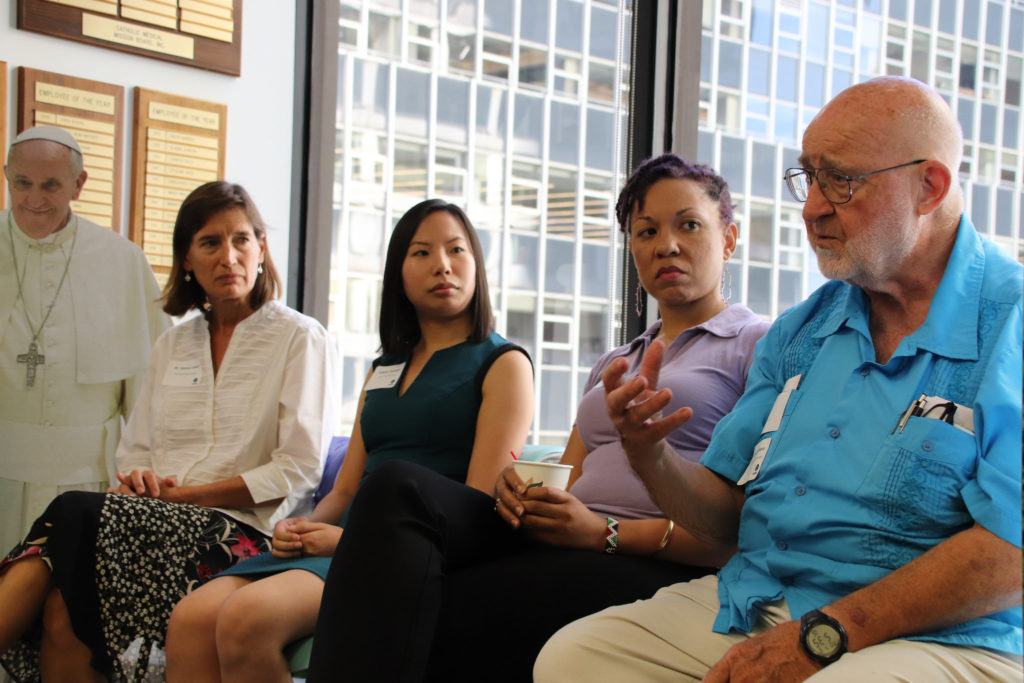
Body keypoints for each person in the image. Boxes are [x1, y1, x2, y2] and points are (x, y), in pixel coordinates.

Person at [535, 76, 1023, 683]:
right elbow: (723, 516)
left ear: (929, 186)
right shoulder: (802, 332)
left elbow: (1011, 552)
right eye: (808, 177)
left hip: (945, 636)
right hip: (764, 598)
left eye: (841, 180)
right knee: (574, 659)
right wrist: (649, 453)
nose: (812, 208)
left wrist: (824, 636)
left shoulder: (1010, 322)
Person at [305, 156, 770, 683]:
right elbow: (566, 476)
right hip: (568, 535)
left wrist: (603, 533)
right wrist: (520, 491)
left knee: (448, 604)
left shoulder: (758, 344)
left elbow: (743, 523)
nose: (666, 244)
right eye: (646, 231)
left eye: (689, 225)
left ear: (728, 238)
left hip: (643, 554)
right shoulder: (617, 359)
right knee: (396, 488)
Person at [164, 198, 534, 683]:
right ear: (399, 273)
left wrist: (349, 542)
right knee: (188, 620)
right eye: (422, 253)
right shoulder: (384, 368)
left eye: (457, 249)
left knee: (244, 620)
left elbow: (476, 509)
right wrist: (301, 529)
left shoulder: (503, 363)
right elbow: (344, 488)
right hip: (341, 541)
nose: (443, 265)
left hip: (408, 551)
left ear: (477, 264)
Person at [0, 181, 336, 683]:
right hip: (154, 521)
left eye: (242, 240)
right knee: (60, 610)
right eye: (210, 243)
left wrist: (189, 498)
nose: (229, 256)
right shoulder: (173, 345)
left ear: (262, 249)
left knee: (71, 513)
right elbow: (135, 450)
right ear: (186, 260)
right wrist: (140, 482)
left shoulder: (299, 338)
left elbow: (298, 468)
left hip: (246, 536)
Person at [0, 125, 170, 554]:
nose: (34, 198)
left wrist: (145, 469)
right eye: (23, 183)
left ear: (79, 185)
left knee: (65, 600)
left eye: (51, 185)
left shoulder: (121, 260)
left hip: (87, 478)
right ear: (6, 175)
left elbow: (148, 385)